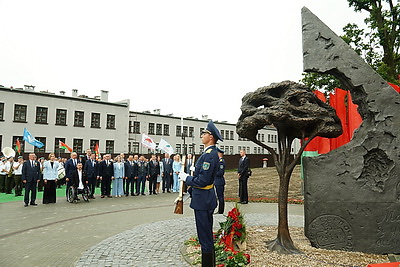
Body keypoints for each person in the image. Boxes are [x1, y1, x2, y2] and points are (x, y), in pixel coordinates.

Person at [178, 120, 223, 266]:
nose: (202, 135)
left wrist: (187, 178)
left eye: (204, 133)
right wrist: (188, 191)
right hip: (203, 198)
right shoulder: (209, 153)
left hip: (203, 200)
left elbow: (203, 181)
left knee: (204, 236)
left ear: (211, 137)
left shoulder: (209, 155)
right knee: (206, 234)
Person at [215, 148, 226, 214]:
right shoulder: (218, 161)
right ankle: (219, 210)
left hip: (219, 181)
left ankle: (221, 211)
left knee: (220, 196)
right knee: (219, 196)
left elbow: (221, 173)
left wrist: (213, 173)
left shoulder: (221, 161)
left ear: (220, 154)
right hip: (217, 181)